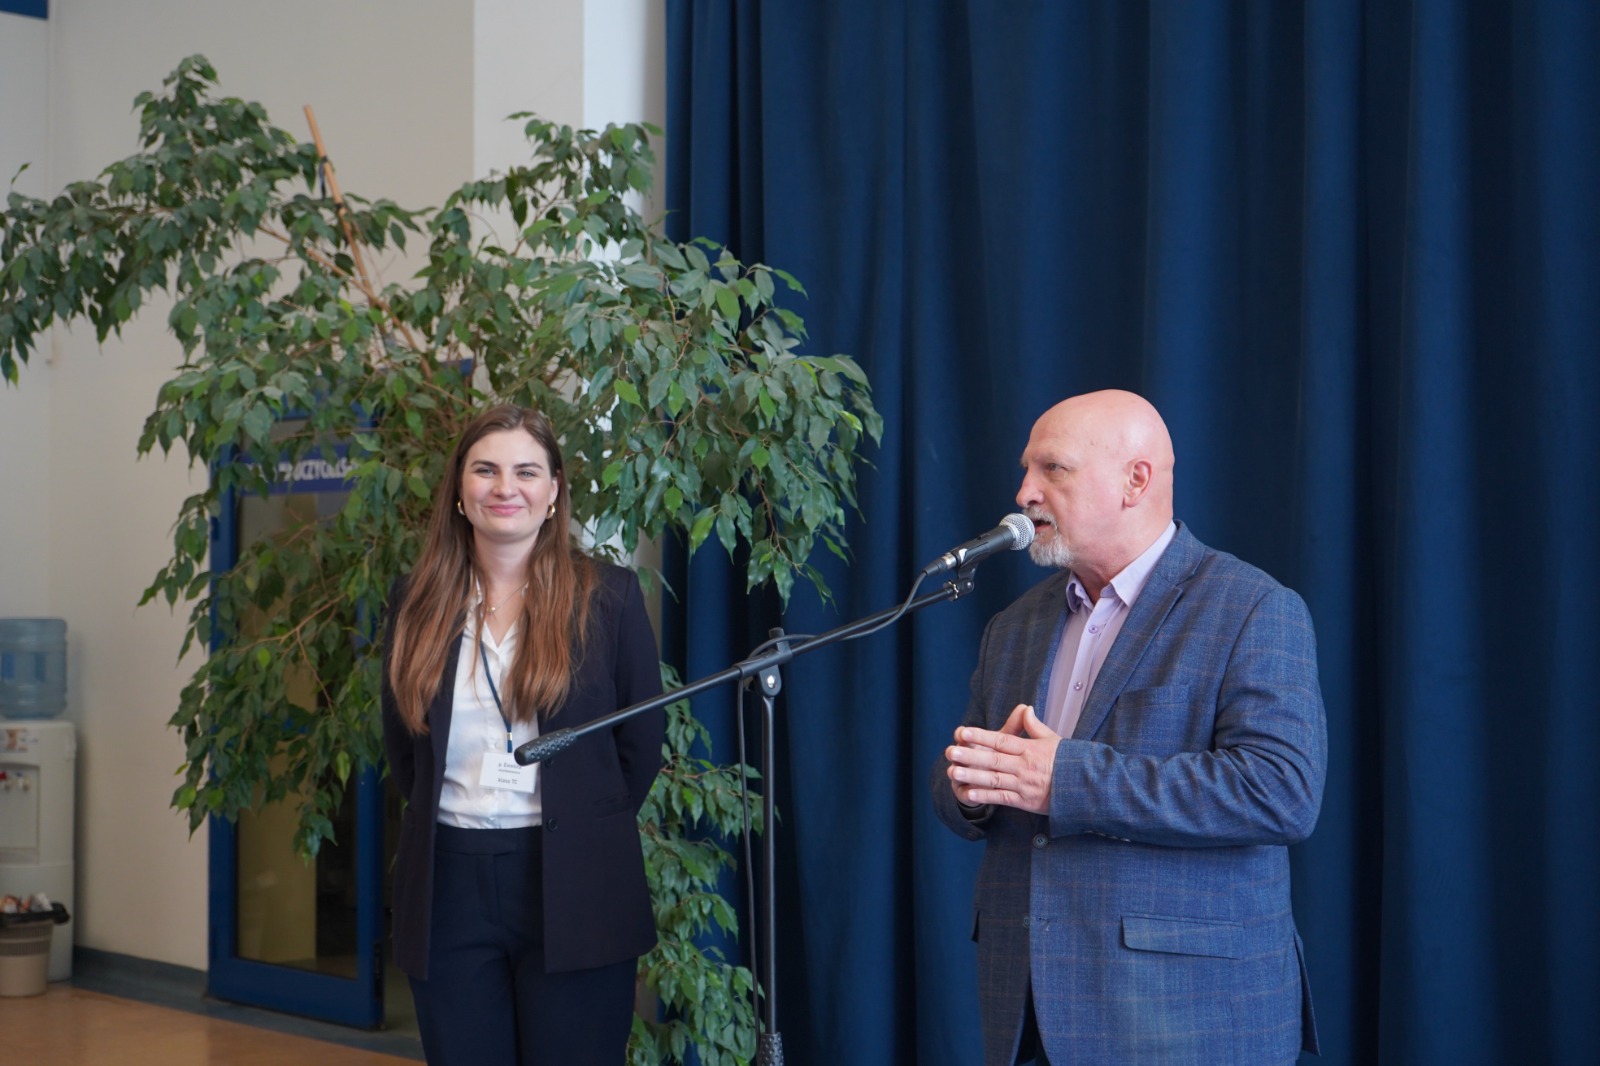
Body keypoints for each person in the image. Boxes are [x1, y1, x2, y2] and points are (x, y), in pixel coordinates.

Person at [931, 389, 1326, 1065]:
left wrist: (1064, 780)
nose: (1024, 493)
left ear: (1135, 481)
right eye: (1025, 470)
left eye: (1052, 469)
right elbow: (959, 782)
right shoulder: (1014, 626)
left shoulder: (1253, 608)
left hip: (1185, 1017)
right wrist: (970, 789)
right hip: (1029, 1012)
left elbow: (1281, 791)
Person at [382, 404, 664, 1065]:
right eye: (485, 470)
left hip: (576, 881)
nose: (505, 487)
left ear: (554, 489)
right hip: (449, 882)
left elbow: (639, 746)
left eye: (526, 472)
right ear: (459, 488)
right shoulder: (416, 600)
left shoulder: (609, 597)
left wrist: (581, 822)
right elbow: (404, 747)